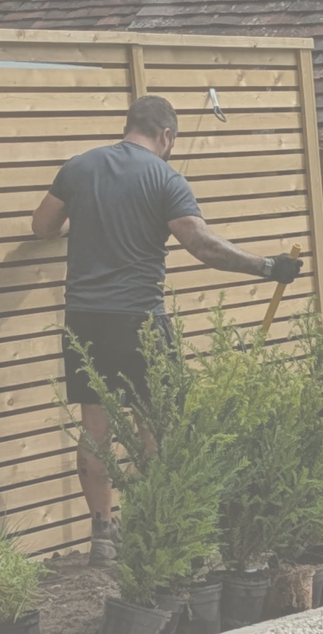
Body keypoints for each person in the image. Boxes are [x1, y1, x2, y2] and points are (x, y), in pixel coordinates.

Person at [33, 95, 304, 563]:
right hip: (140, 321)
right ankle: (154, 527)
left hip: (84, 319)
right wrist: (267, 267)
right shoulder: (166, 178)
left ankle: (102, 536)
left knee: (95, 428)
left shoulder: (76, 169)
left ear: (129, 126)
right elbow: (201, 245)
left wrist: (82, 221)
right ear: (167, 136)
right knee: (156, 427)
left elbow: (41, 227)